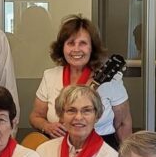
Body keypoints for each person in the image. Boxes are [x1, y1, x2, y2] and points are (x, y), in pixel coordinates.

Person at [29, 15, 132, 149]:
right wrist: (46, 126)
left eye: (83, 43)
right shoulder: (50, 76)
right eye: (71, 43)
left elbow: (123, 123)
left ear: (92, 48)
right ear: (62, 48)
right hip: (58, 150)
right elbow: (35, 116)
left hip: (102, 151)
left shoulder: (111, 80)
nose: (76, 49)